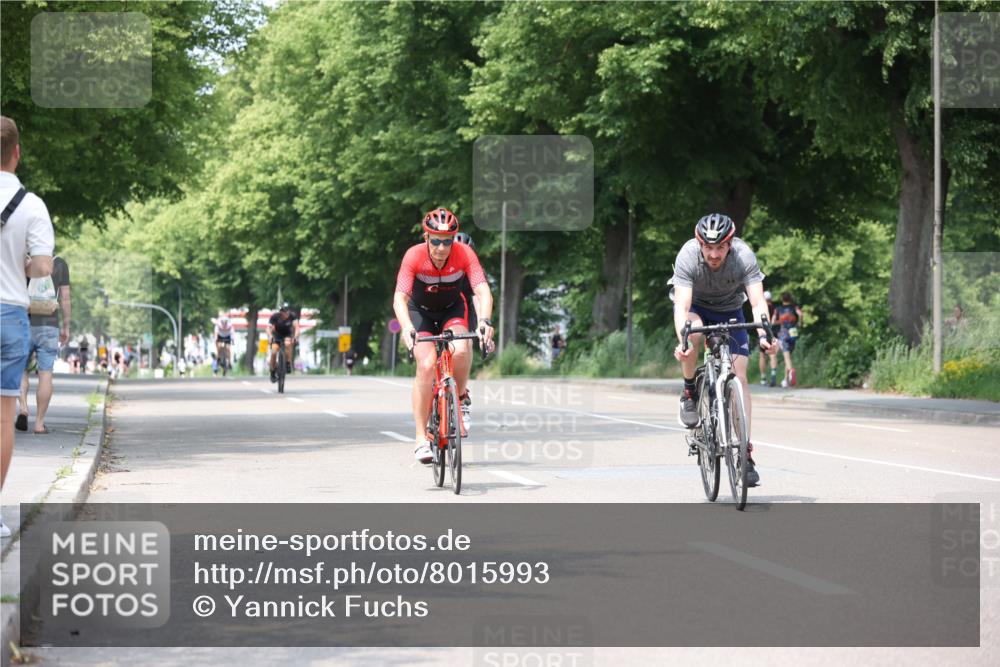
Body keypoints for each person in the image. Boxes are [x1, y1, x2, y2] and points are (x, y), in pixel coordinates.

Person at [671, 213, 779, 487]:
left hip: (730, 310)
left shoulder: (744, 256)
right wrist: (682, 342)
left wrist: (765, 335)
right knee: (692, 334)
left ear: (730, 244)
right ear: (700, 245)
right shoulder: (687, 255)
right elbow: (682, 307)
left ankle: (745, 455)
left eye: (720, 247)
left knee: (740, 378)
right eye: (708, 247)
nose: (714, 254)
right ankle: (689, 391)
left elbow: (757, 303)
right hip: (696, 308)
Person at [394, 207, 495, 464]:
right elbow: (400, 297)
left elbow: (481, 291)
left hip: (452, 309)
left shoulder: (464, 254)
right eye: (436, 241)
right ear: (426, 238)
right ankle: (420, 439)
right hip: (421, 312)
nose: (441, 247)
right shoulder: (414, 256)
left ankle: (460, 399)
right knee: (426, 365)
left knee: (461, 349)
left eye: (447, 241)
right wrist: (406, 327)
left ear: (454, 239)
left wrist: (484, 321)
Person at [1, 116, 55, 537]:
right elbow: (41, 267)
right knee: (3, 418)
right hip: (9, 313)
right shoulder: (31, 204)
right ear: (17, 152)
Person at [15, 254, 70, 434]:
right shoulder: (60, 264)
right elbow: (65, 298)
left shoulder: (20, 259)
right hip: (49, 325)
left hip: (22, 323)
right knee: (45, 374)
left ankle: (23, 407)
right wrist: (66, 326)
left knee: (20, 370)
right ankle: (39, 423)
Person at [775, 292, 804, 387]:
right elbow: (801, 314)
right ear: (790, 299)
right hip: (793, 332)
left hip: (784, 333)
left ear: (782, 299)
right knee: (788, 358)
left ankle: (791, 371)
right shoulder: (794, 307)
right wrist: (800, 323)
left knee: (786, 357)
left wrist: (773, 325)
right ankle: (786, 380)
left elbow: (772, 320)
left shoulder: (778, 309)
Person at [268, 303, 299, 382]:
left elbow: (297, 328)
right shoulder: (275, 316)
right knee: (274, 351)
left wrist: (295, 337)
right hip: (277, 335)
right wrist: (270, 336)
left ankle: (288, 363)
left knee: (288, 344)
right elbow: (269, 328)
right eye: (281, 312)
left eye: (285, 312)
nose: (283, 314)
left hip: (287, 334)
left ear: (288, 312)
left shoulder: (293, 316)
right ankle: (272, 371)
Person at [758, 290, 779, 387]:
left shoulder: (760, 308)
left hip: (762, 333)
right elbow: (774, 321)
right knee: (772, 354)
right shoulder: (774, 309)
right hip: (772, 333)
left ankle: (763, 378)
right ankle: (773, 375)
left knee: (762, 356)